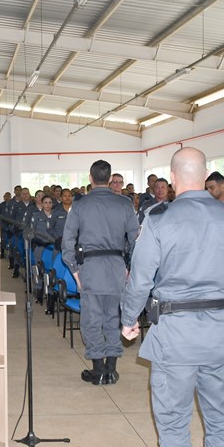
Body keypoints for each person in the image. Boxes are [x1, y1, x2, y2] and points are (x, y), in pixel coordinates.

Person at [120, 147, 224, 447]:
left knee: (172, 418)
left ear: (171, 178)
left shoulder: (157, 219)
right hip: (219, 332)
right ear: (205, 174)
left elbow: (139, 280)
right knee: (221, 416)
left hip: (175, 335)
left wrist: (128, 318)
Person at [62, 161, 139, 385]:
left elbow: (67, 243)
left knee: (92, 321)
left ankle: (98, 370)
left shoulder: (80, 205)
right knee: (114, 318)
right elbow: (136, 240)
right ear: (110, 178)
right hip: (116, 267)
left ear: (90, 178)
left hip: (91, 268)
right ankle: (112, 370)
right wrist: (129, 267)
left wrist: (75, 272)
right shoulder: (125, 203)